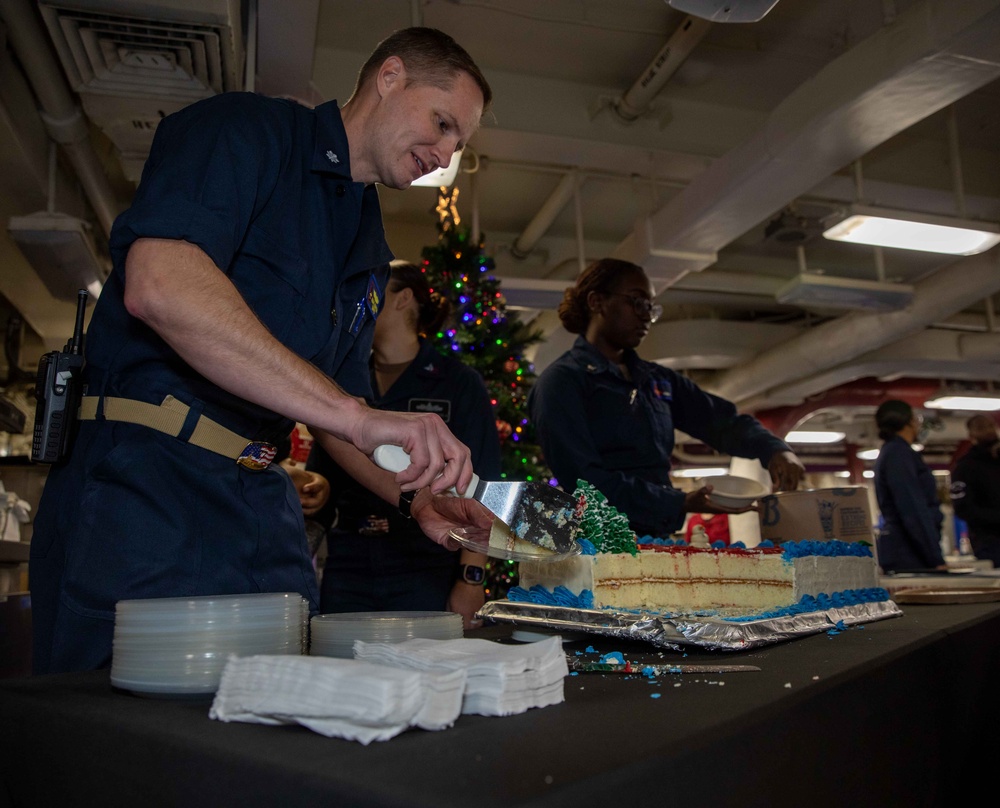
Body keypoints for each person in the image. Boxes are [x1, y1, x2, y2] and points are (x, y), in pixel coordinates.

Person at [29, 27, 495, 674]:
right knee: (117, 740)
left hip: (261, 504)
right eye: (442, 123)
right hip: (145, 482)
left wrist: (414, 496)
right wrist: (354, 415)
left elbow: (341, 410)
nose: (444, 155)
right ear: (390, 77)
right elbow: (160, 284)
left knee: (270, 727)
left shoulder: (364, 241)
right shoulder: (245, 132)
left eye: (458, 144)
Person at [527, 258, 804, 538]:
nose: (646, 315)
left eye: (651, 307)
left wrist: (775, 449)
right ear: (597, 302)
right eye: (637, 302)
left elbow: (722, 421)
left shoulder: (657, 380)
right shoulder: (561, 382)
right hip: (597, 546)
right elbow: (584, 482)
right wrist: (677, 502)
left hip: (656, 539)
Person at [308, 262, 501, 627]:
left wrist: (470, 579)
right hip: (349, 559)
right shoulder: (344, 382)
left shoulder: (458, 382)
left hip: (424, 560)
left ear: (403, 299)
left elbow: (481, 486)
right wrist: (315, 487)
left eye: (373, 290)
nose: (358, 301)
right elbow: (325, 467)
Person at [872, 400, 947, 573]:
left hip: (908, 550)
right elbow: (912, 508)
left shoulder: (894, 452)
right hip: (910, 553)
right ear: (909, 422)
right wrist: (935, 558)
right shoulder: (898, 455)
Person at [949, 414, 1000, 567]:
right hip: (989, 542)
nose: (987, 431)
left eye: (989, 426)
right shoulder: (965, 467)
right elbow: (963, 509)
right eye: (981, 428)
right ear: (971, 435)